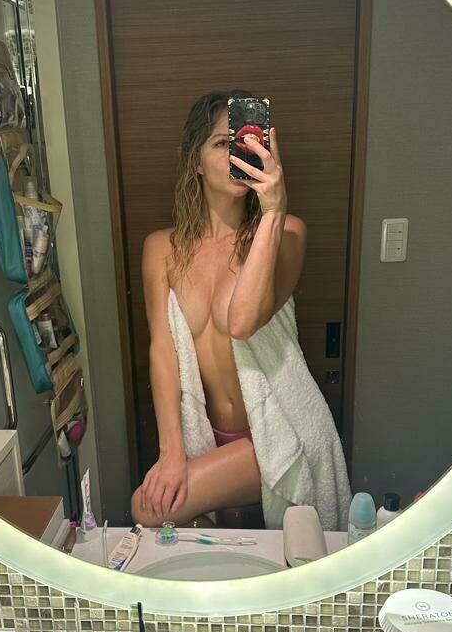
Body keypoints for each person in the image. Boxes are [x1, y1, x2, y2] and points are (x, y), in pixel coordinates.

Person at [131, 90, 351, 531]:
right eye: (220, 143)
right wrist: (171, 451)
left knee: (147, 509)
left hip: (278, 431)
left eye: (246, 142)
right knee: (199, 532)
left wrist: (273, 209)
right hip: (208, 435)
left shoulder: (286, 232)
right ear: (195, 162)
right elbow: (162, 351)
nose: (236, 154)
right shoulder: (161, 249)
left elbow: (242, 321)